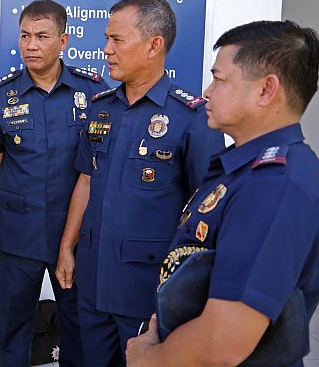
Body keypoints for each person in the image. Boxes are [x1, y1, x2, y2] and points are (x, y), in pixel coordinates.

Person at [126, 20, 319, 367]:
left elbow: (224, 341)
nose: (207, 91)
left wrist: (149, 359)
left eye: (220, 78)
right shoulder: (244, 169)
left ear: (265, 90)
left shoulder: (275, 184)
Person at [55, 0, 225, 365]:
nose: (106, 50)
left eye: (117, 40)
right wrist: (67, 248)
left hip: (148, 289)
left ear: (154, 45)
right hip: (93, 281)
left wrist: (195, 291)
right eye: (106, 39)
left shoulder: (192, 118)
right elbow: (86, 179)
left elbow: (208, 213)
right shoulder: (101, 107)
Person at [0, 0, 105, 366]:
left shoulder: (93, 92)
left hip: (76, 232)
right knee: (14, 325)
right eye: (25, 36)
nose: (31, 45)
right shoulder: (1, 94)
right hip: (20, 230)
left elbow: (98, 165)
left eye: (42, 36)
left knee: (78, 324)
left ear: (63, 40)